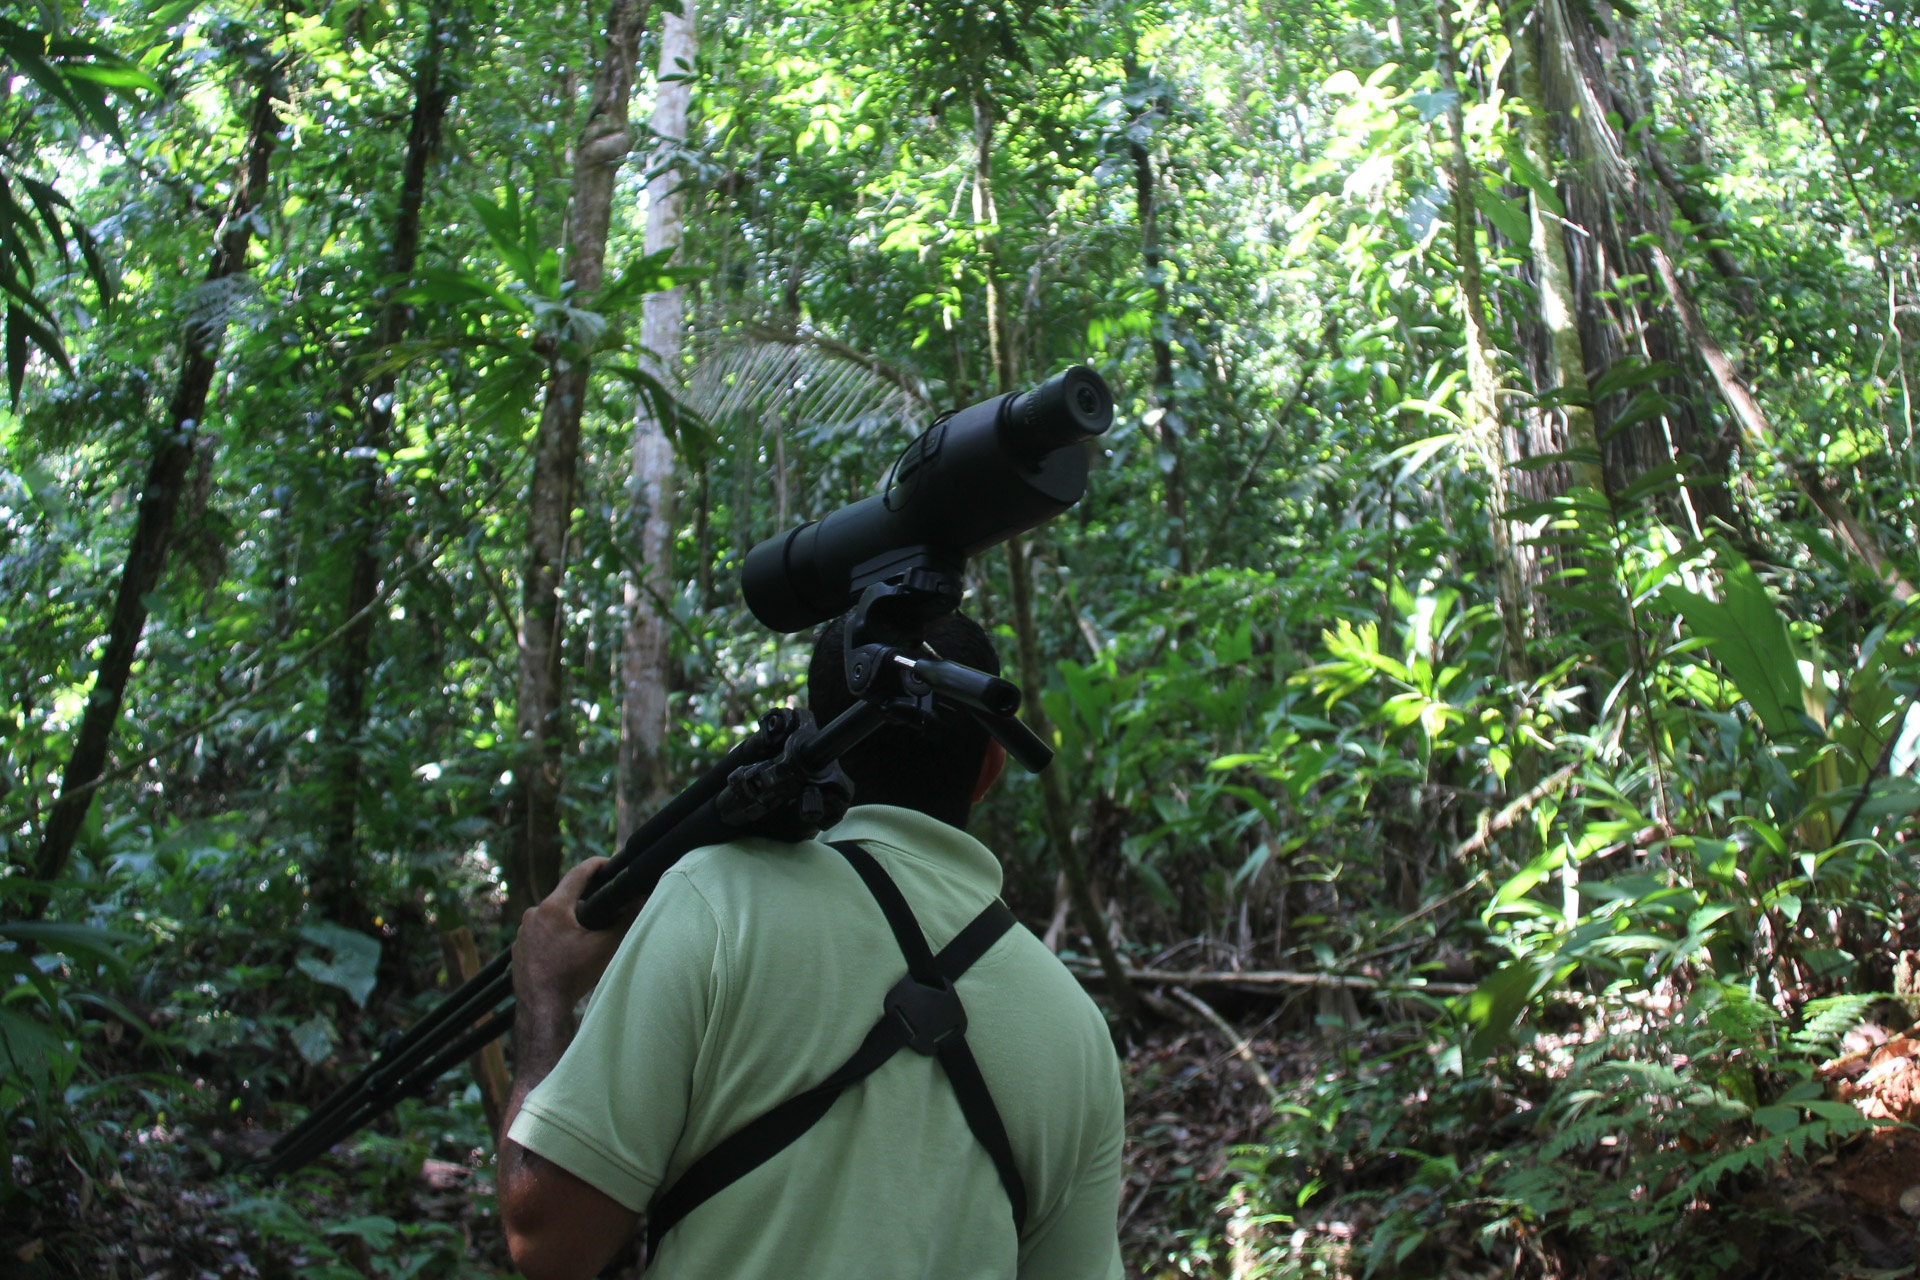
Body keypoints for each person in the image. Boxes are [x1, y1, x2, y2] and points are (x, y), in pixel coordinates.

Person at [497, 611, 1126, 1279]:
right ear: (991, 767)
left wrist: (545, 997)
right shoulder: (1076, 1029)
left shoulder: (715, 903)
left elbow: (547, 1242)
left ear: (816, 739)